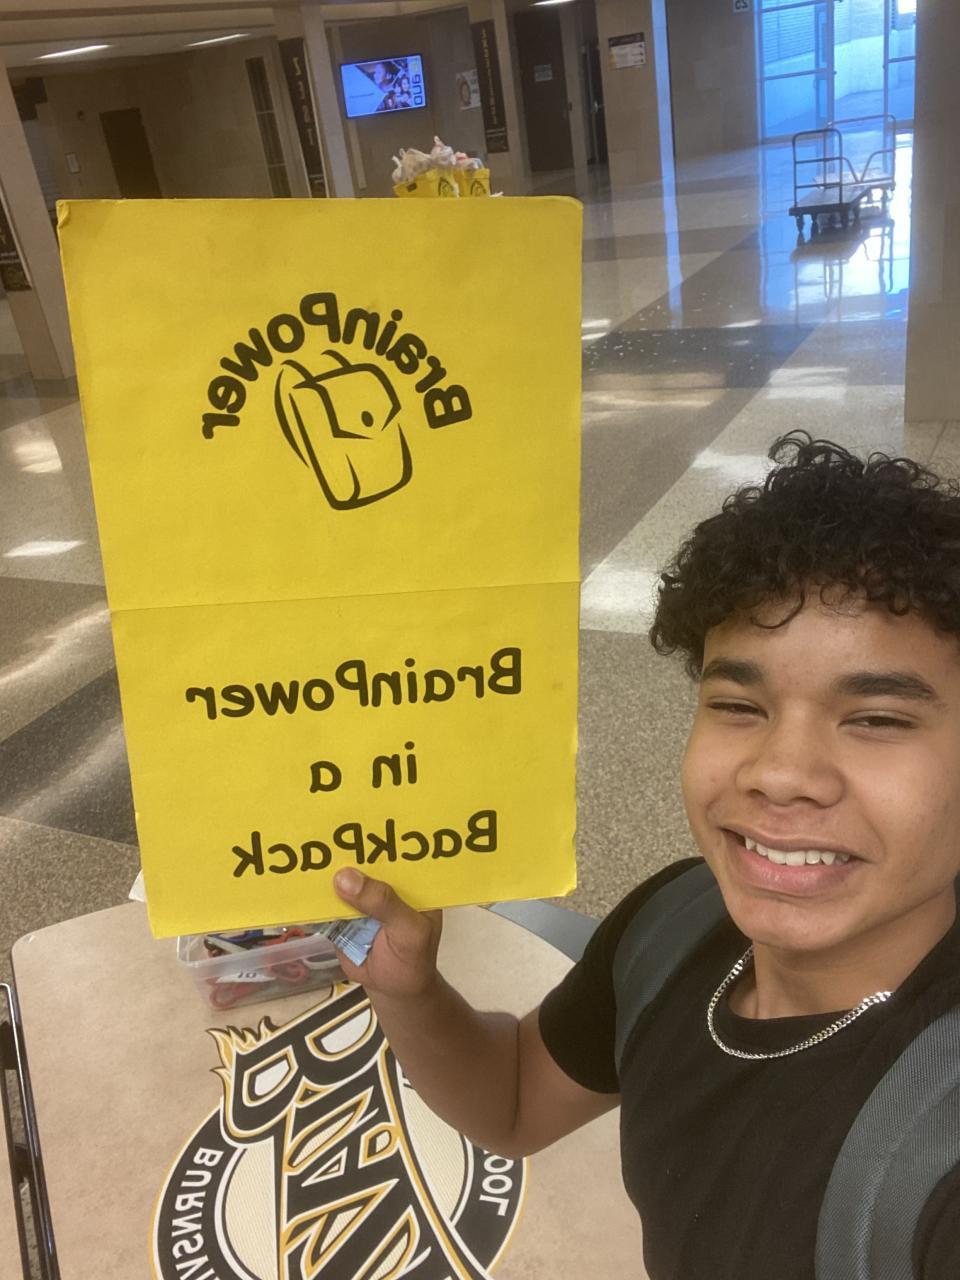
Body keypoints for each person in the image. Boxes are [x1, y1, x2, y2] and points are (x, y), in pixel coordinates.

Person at [332, 433, 960, 1279]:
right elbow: (513, 1102)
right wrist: (410, 991)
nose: (779, 773)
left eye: (877, 719)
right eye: (738, 705)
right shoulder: (676, 923)